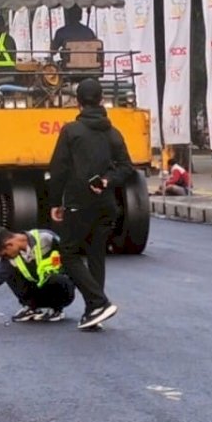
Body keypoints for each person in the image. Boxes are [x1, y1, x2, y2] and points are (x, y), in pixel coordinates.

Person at [48, 78, 135, 330]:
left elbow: (59, 169)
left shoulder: (71, 131)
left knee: (69, 253)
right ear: (101, 100)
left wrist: (55, 201)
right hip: (106, 203)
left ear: (78, 102)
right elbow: (126, 167)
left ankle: (97, 301)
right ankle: (92, 311)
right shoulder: (113, 132)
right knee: (97, 254)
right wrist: (108, 180)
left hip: (78, 203)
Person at [0, 226, 75, 322]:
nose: (6, 257)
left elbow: (73, 257)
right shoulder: (9, 259)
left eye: (5, 254)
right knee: (10, 272)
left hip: (63, 289)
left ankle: (56, 309)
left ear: (9, 245)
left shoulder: (46, 238)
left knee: (53, 276)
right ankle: (31, 307)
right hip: (39, 290)